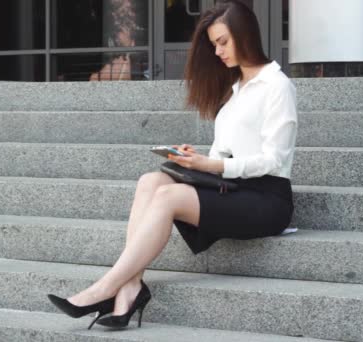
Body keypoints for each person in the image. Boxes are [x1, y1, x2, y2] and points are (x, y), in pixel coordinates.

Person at [47, 0, 297, 330]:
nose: (218, 51)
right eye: (214, 45)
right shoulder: (236, 90)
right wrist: (194, 159)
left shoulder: (277, 86)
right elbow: (225, 155)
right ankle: (131, 288)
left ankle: (105, 288)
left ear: (246, 35)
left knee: (167, 198)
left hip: (268, 199)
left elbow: (274, 159)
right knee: (150, 182)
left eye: (223, 42)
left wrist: (211, 166)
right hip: (236, 187)